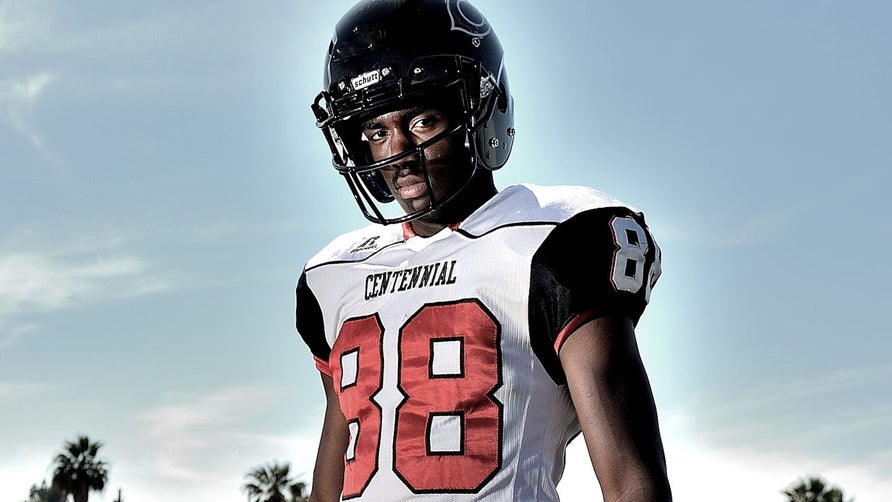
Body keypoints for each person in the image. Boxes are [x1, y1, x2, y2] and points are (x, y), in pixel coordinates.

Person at [294, 0, 672, 500]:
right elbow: (336, 474)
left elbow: (630, 481)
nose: (399, 152)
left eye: (423, 121)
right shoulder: (334, 275)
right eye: (376, 131)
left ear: (478, 110)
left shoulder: (554, 240)